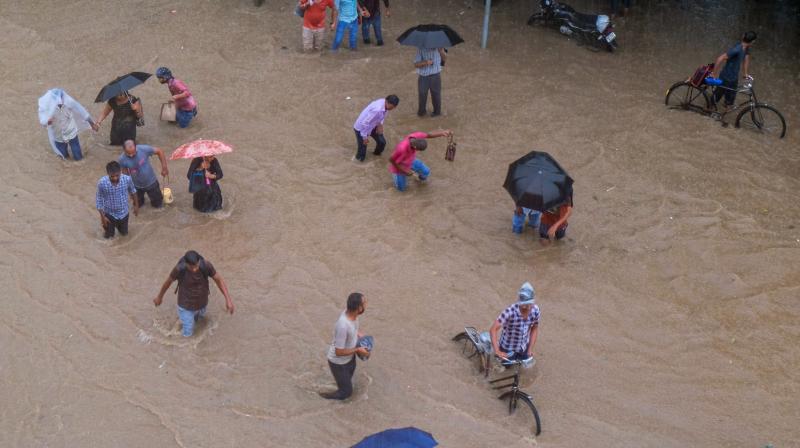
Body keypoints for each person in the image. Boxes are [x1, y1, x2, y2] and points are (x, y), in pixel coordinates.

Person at [153, 250, 234, 338]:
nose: (195, 269)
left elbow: (219, 280)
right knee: (188, 334)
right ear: (186, 263)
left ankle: (184, 321)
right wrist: (159, 297)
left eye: (196, 266)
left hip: (202, 304)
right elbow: (167, 283)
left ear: (199, 261)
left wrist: (228, 300)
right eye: (191, 267)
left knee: (200, 321)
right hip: (185, 306)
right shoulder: (179, 269)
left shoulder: (206, 265)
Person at [320, 292, 370, 400]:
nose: (366, 305)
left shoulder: (352, 314)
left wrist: (358, 334)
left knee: (348, 381)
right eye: (364, 303)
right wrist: (358, 349)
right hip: (338, 363)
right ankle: (322, 397)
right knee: (346, 393)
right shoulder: (343, 326)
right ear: (359, 308)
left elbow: (352, 329)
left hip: (349, 358)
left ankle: (340, 384)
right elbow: (338, 352)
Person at [37, 88, 98, 161]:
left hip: (71, 132)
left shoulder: (69, 102)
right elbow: (43, 122)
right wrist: (47, 122)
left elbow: (82, 112)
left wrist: (92, 124)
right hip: (58, 135)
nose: (61, 101)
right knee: (63, 157)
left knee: (78, 156)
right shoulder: (48, 108)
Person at [711, 31, 757, 121]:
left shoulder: (746, 48)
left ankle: (723, 116)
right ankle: (711, 112)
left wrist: (745, 74)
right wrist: (714, 74)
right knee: (717, 97)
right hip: (726, 77)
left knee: (730, 101)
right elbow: (720, 58)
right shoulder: (737, 49)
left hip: (733, 78)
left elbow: (746, 59)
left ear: (743, 36)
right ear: (752, 42)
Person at [490, 282, 540, 362]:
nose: (526, 307)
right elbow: (493, 329)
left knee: (521, 365)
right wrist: (497, 351)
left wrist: (530, 349)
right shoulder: (510, 312)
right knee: (506, 367)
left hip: (524, 346)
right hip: (508, 348)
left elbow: (534, 328)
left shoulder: (536, 310)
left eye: (528, 304)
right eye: (524, 304)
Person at [118, 140, 169, 209]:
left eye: (133, 153)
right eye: (128, 153)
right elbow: (125, 175)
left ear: (136, 147)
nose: (131, 155)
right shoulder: (122, 159)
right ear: (124, 150)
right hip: (136, 186)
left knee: (158, 205)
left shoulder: (143, 149)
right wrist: (129, 190)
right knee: (138, 205)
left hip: (151, 182)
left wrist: (164, 167)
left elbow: (159, 151)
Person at [96, 161, 138, 239]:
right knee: (109, 237)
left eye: (117, 175)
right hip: (109, 214)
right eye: (112, 176)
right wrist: (102, 217)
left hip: (124, 213)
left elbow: (133, 191)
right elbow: (99, 200)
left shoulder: (127, 179)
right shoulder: (102, 183)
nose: (115, 178)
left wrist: (136, 206)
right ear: (108, 174)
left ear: (120, 172)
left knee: (124, 235)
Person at [353, 95, 399, 162]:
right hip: (361, 129)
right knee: (361, 153)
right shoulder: (377, 110)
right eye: (391, 106)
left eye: (394, 107)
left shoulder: (385, 105)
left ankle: (376, 156)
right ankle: (357, 162)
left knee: (382, 142)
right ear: (387, 101)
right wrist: (364, 137)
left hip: (373, 125)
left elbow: (382, 115)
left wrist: (380, 125)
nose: (392, 108)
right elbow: (365, 123)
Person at [414, 47, 447, 117]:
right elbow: (416, 64)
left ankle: (437, 113)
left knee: (436, 96)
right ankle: (421, 113)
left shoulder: (440, 47)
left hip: (436, 75)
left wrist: (441, 51)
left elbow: (444, 60)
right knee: (422, 95)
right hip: (423, 76)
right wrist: (426, 62)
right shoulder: (421, 49)